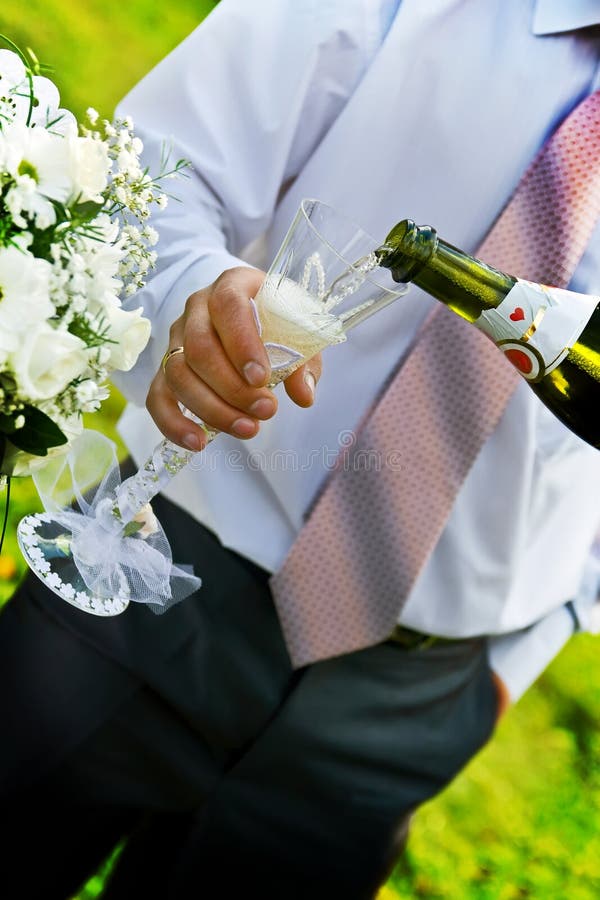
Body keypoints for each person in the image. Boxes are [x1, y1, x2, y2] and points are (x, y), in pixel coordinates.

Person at [2, 1, 600, 898]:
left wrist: (530, 648)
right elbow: (154, 170)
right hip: (156, 565)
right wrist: (192, 300)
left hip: (410, 704)